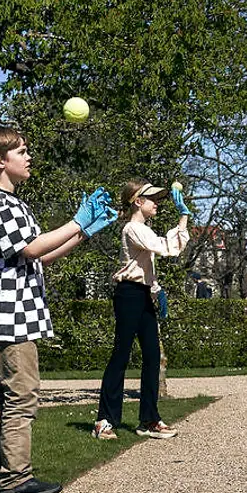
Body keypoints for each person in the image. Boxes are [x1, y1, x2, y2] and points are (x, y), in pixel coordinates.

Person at [0, 126, 115, 493]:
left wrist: (84, 232)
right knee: (21, 397)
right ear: (0, 161)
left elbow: (40, 256)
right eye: (21, 151)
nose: (28, 156)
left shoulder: (13, 203)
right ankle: (17, 478)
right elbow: (33, 249)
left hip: (11, 315)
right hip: (10, 316)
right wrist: (76, 221)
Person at [93, 179, 190, 441]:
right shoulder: (132, 228)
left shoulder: (143, 229)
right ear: (138, 202)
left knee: (152, 356)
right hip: (128, 295)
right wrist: (182, 218)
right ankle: (104, 420)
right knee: (121, 355)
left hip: (143, 294)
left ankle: (149, 419)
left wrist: (156, 290)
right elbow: (168, 248)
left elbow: (154, 260)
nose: (157, 203)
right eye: (152, 199)